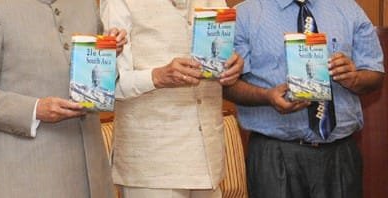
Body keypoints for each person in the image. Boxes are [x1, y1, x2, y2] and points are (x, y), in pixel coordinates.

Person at [0, 0, 126, 197]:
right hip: (27, 177)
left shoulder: (85, 4)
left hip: (93, 176)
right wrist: (35, 109)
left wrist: (108, 54)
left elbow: (97, 83)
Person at [227, 0, 384, 197]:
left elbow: (375, 75)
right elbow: (227, 86)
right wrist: (266, 97)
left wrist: (355, 78)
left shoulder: (348, 8)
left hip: (340, 155)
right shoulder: (244, 14)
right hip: (274, 155)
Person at [100, 0, 243, 197]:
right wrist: (157, 76)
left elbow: (223, 55)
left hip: (209, 158)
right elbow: (108, 83)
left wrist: (234, 66)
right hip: (152, 164)